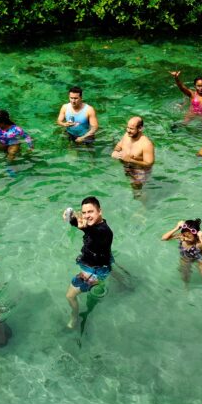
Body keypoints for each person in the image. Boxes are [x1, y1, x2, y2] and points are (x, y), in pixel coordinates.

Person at [63, 197, 114, 329]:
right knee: (109, 266)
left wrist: (81, 225)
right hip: (103, 260)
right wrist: (70, 218)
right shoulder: (95, 225)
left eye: (90, 212)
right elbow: (84, 225)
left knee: (69, 296)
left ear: (100, 211)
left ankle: (74, 317)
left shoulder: (105, 232)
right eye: (84, 213)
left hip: (94, 271)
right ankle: (117, 276)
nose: (86, 216)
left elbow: (93, 232)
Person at [161, 219, 202, 287]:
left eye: (188, 237)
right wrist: (176, 228)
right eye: (184, 235)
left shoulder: (199, 243)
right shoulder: (181, 237)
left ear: (196, 236)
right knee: (184, 278)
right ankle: (186, 288)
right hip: (186, 258)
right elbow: (163, 238)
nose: (185, 239)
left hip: (200, 258)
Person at [111, 116, 155, 189]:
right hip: (126, 167)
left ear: (140, 128)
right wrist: (115, 152)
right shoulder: (127, 135)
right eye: (127, 127)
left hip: (139, 172)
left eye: (131, 128)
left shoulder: (146, 144)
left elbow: (149, 164)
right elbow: (119, 145)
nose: (128, 130)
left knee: (136, 190)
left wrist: (130, 160)